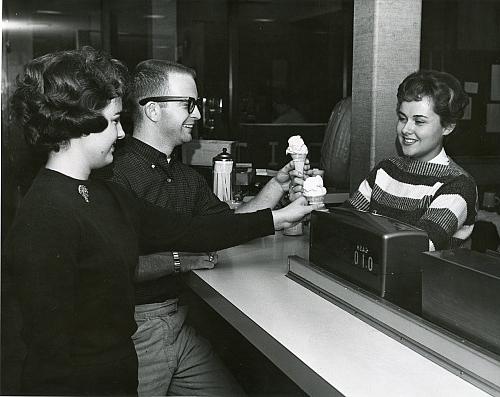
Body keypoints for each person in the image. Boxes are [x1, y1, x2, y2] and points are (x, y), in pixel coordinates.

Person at [3, 47, 317, 396]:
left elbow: (193, 231)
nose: (122, 134)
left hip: (120, 368)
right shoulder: (45, 213)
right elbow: (48, 351)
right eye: (113, 122)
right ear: (79, 124)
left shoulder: (105, 194)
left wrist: (278, 217)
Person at [99, 59, 309, 396]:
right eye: (188, 104)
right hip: (135, 327)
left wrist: (277, 187)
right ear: (153, 110)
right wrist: (180, 259)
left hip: (178, 321)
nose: (197, 114)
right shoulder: (117, 173)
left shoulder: (182, 176)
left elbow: (225, 227)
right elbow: (115, 268)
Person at [344, 70, 477, 250]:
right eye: (402, 118)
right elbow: (344, 222)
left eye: (419, 121)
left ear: (447, 127)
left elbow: (412, 250)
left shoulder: (458, 185)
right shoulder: (386, 169)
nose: (406, 129)